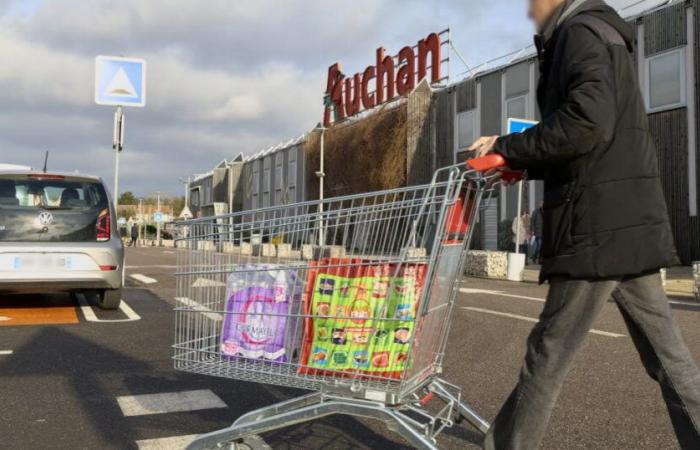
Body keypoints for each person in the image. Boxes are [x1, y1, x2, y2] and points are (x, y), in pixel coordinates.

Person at [468, 0, 700, 448]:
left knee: (548, 354)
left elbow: (585, 124)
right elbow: (591, 138)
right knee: (668, 359)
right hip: (624, 220)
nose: (528, 9)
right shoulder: (599, 33)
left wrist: (509, 146)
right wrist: (524, 164)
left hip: (595, 225)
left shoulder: (579, 34)